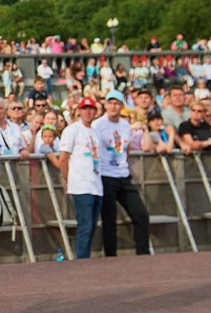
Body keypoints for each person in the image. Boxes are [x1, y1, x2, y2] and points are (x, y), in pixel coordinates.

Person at [94, 90, 150, 257]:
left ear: (121, 106)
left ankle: (143, 254)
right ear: (105, 104)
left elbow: (127, 147)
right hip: (106, 175)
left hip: (123, 175)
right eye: (110, 103)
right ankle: (111, 256)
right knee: (109, 219)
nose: (113, 106)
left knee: (141, 214)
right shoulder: (98, 124)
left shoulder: (125, 125)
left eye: (117, 103)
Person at [58, 97, 103, 259]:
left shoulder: (95, 132)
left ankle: (86, 256)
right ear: (79, 111)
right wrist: (66, 179)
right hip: (80, 183)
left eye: (91, 109)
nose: (88, 112)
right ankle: (82, 259)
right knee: (85, 224)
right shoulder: (72, 130)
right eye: (85, 109)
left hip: (96, 183)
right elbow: (63, 158)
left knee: (92, 225)